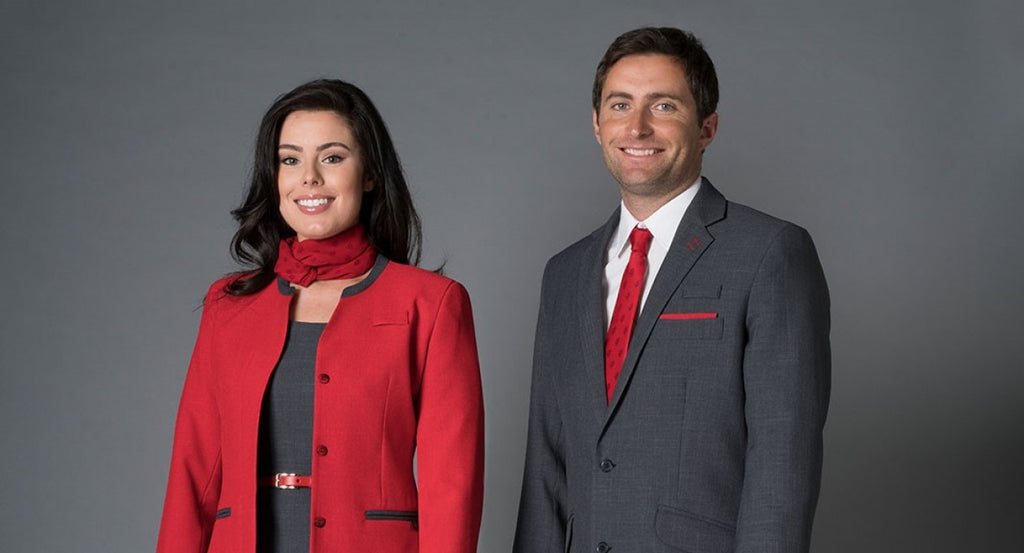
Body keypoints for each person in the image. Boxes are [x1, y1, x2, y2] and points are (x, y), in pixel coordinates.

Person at [513, 27, 830, 553]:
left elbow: (783, 459)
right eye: (620, 105)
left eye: (663, 105)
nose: (637, 126)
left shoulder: (770, 253)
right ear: (597, 125)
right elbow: (546, 464)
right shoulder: (564, 274)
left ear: (707, 128)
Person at [157, 79, 484, 553]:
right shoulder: (227, 306)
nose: (309, 178)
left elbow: (451, 485)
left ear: (369, 174)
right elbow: (193, 471)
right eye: (290, 160)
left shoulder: (430, 305)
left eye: (332, 158)